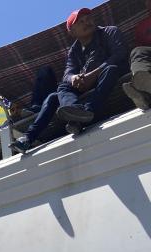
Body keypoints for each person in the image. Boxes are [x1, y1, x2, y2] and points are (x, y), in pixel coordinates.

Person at [11, 8, 128, 152]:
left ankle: (84, 113)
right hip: (86, 87)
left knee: (111, 69)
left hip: (108, 77)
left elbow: (119, 54)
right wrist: (74, 79)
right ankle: (28, 138)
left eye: (88, 18)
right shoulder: (74, 50)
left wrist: (92, 75)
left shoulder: (108, 32)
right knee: (57, 92)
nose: (87, 22)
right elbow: (68, 74)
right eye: (81, 21)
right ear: (72, 32)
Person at [122, 0, 151, 110]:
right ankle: (142, 82)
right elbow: (140, 53)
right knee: (137, 51)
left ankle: (142, 95)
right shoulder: (141, 26)